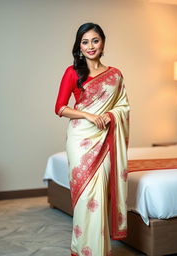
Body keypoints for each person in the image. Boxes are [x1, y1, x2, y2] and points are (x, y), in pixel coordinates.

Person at [55, 22, 130, 256]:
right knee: (86, 195)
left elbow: (123, 107)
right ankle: (82, 250)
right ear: (79, 45)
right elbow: (59, 108)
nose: (90, 46)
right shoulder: (72, 72)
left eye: (95, 40)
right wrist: (88, 114)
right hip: (80, 139)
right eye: (85, 41)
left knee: (99, 196)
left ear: (103, 43)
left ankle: (99, 250)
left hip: (104, 140)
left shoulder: (115, 75)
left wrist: (109, 115)